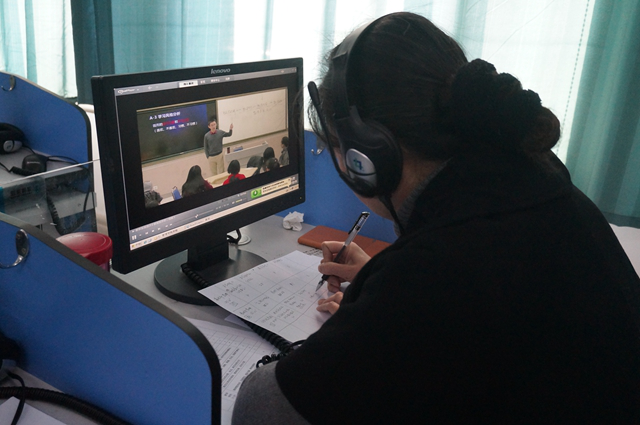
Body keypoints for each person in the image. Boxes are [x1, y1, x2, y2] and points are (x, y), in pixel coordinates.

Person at [232, 12, 640, 425]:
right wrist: (378, 282)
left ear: (365, 159)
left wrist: (376, 315)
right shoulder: (537, 183)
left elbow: (260, 408)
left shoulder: (435, 275)